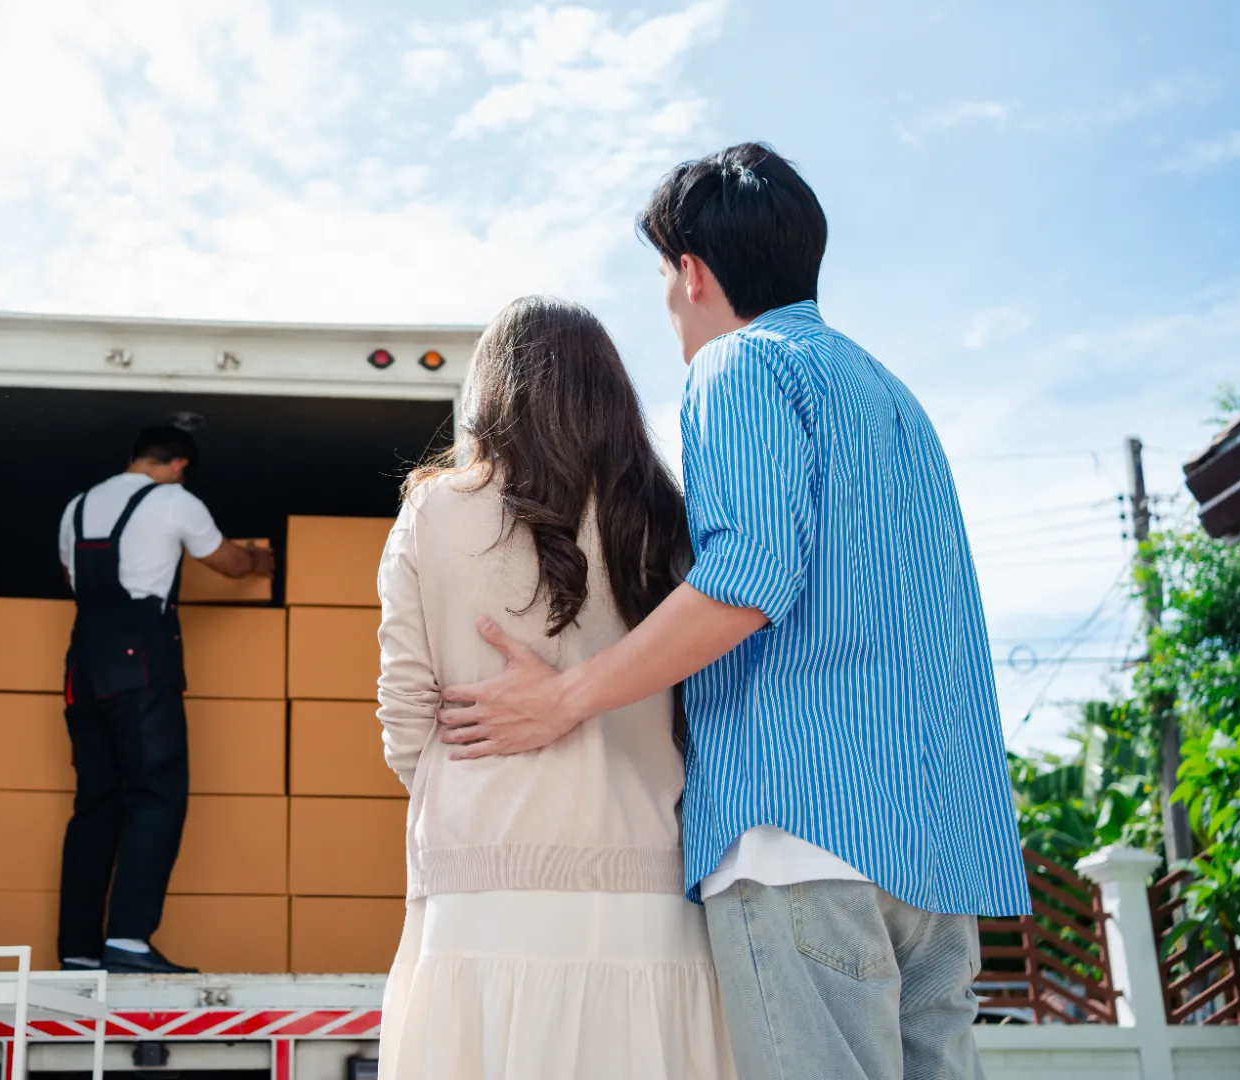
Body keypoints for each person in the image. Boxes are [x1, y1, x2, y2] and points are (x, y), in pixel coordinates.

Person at [437, 144, 1031, 1080]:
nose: (669, 305)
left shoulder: (738, 367)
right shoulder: (890, 396)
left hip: (802, 835)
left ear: (693, 271)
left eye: (665, 279)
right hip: (937, 855)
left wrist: (564, 699)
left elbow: (746, 578)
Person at [375, 296, 737, 1080]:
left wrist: (470, 783)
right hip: (653, 887)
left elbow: (404, 721)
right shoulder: (666, 519)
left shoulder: (433, 511)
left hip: (481, 890)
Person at [57, 421, 274, 974]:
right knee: (156, 796)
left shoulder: (76, 507)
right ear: (177, 464)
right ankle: (128, 940)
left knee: (95, 806)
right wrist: (257, 561)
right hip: (140, 665)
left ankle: (79, 950)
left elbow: (71, 575)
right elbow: (223, 560)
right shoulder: (175, 500)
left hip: (83, 667)